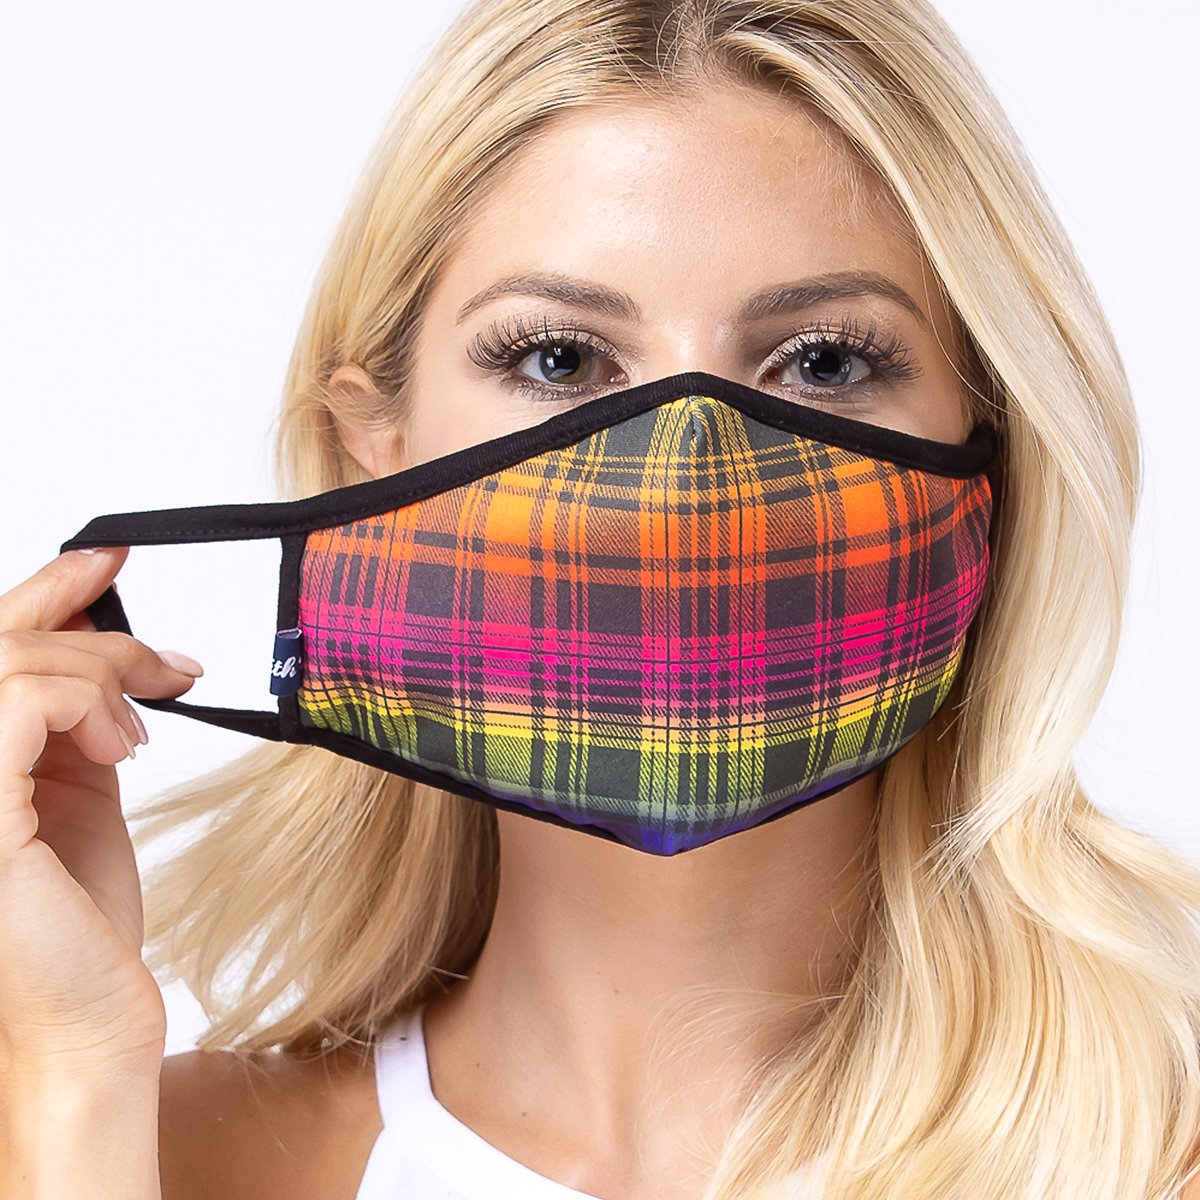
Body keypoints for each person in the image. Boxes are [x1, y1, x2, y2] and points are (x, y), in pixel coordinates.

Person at [2, 1, 1198, 1197]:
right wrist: (73, 1074)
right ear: (377, 442)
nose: (684, 480)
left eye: (825, 361)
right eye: (561, 360)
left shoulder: (1160, 1148)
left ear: (992, 443)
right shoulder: (159, 1153)